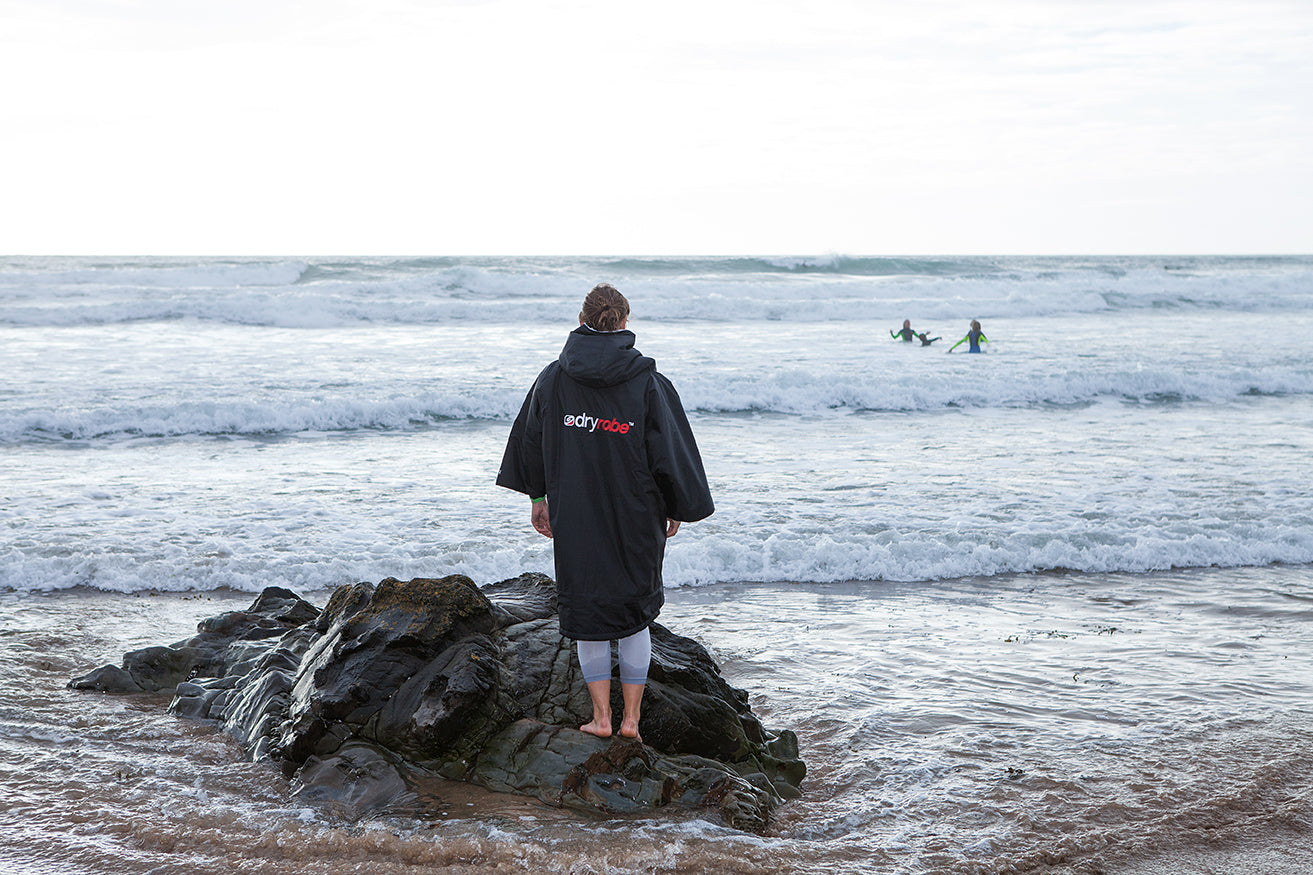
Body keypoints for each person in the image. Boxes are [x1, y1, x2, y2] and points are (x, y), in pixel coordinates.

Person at [497, 283, 714, 742]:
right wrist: (677, 504)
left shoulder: (554, 379)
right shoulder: (648, 383)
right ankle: (631, 722)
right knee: (635, 612)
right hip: (638, 515)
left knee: (588, 609)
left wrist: (537, 498)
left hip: (577, 514)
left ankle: (601, 718)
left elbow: (529, 441)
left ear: (581, 321)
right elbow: (670, 452)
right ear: (625, 323)